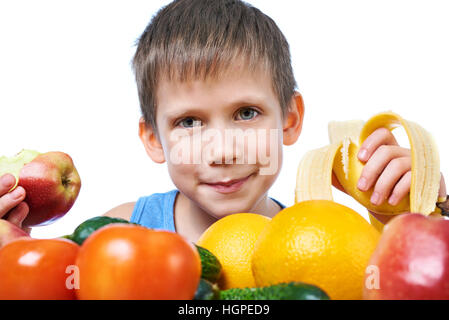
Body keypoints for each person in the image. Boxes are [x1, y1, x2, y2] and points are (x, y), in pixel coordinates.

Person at [0, 0, 446, 243]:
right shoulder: (117, 233)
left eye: (246, 113)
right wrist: (13, 245)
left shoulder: (320, 242)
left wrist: (416, 215)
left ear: (290, 120)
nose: (223, 150)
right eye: (189, 122)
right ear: (154, 139)